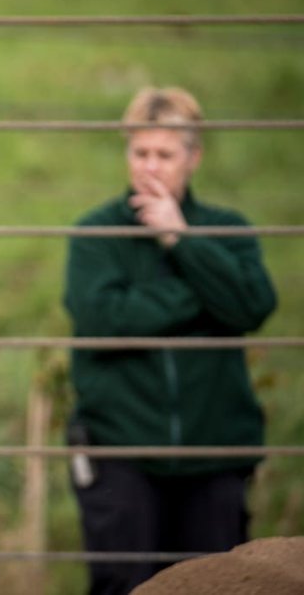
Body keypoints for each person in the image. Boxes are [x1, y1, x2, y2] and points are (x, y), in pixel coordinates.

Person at [62, 86, 278, 595]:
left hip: (215, 460)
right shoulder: (95, 234)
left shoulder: (229, 229)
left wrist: (182, 240)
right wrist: (202, 291)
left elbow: (252, 306)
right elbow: (102, 322)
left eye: (165, 155)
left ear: (194, 157)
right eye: (140, 153)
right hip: (122, 457)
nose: (151, 167)